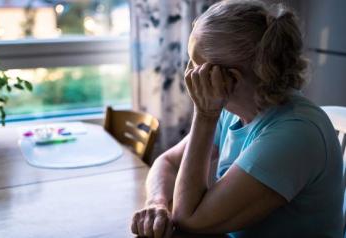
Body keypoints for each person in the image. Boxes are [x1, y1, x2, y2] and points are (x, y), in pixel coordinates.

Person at [131, 0, 344, 237]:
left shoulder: (295, 134)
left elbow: (188, 218)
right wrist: (156, 202)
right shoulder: (231, 111)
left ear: (231, 78)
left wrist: (204, 115)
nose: (188, 72)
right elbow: (169, 162)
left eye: (195, 64)